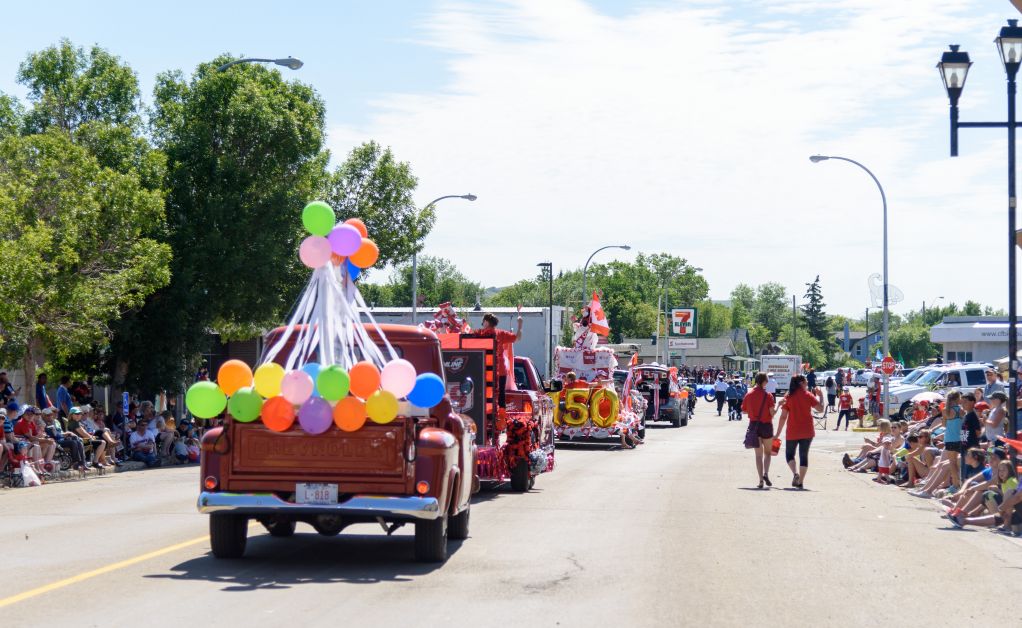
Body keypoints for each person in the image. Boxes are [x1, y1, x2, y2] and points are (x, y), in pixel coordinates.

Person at [775, 375, 824, 490]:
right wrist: (821, 396)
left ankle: (795, 473)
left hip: (792, 431)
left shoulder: (788, 396)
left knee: (789, 455)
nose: (807, 383)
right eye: (806, 382)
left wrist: (777, 434)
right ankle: (800, 482)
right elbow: (821, 409)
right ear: (801, 383)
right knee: (804, 455)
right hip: (807, 431)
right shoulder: (808, 395)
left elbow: (783, 417)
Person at [477, 308, 523, 411]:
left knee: (484, 393)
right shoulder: (501, 333)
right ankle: (501, 416)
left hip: (486, 369)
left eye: (483, 322)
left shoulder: (480, 335)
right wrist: (520, 325)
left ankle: (485, 413)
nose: (482, 324)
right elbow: (518, 338)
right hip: (501, 370)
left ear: (486, 322)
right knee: (501, 394)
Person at [741, 372, 776, 489]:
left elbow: (744, 411)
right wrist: (780, 405)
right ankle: (766, 473)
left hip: (754, 426)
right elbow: (772, 413)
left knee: (758, 455)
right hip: (766, 426)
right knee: (768, 453)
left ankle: (760, 480)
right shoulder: (768, 396)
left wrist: (753, 412)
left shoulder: (749, 395)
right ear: (764, 382)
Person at [941, 391, 965, 491]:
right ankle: (961, 483)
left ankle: (956, 484)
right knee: (961, 461)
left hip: (950, 438)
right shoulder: (962, 410)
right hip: (961, 438)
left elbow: (944, 425)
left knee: (952, 463)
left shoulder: (945, 410)